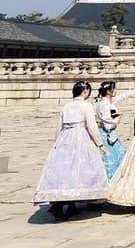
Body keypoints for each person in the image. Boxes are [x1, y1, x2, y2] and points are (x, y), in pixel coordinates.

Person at [34, 80, 110, 220]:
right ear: (85, 91)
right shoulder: (86, 106)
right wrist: (100, 144)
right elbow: (92, 127)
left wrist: (57, 143)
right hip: (80, 139)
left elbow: (59, 127)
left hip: (65, 139)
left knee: (65, 172)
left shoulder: (66, 106)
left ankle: (65, 205)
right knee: (79, 171)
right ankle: (69, 205)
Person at [95, 81, 135, 179]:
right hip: (107, 134)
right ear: (109, 91)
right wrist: (117, 119)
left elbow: (123, 96)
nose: (116, 90)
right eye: (114, 88)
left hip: (109, 134)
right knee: (111, 159)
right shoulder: (105, 104)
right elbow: (107, 124)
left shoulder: (108, 101)